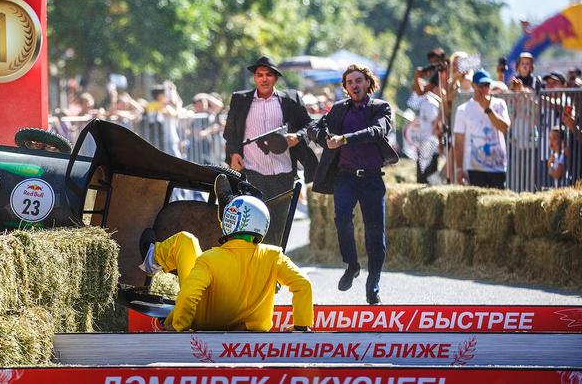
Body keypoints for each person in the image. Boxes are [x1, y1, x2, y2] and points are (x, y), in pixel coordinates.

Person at [138, 190, 312, 332]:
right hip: (253, 331)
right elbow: (303, 284)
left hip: (204, 326)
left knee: (185, 240)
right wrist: (301, 326)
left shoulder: (208, 260)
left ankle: (152, 259)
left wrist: (179, 326)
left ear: (228, 224)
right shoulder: (274, 257)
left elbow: (189, 295)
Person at [307, 64, 398, 305]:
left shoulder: (381, 107)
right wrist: (324, 138)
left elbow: (377, 131)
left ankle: (373, 284)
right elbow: (314, 127)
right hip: (345, 177)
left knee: (374, 232)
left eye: (359, 80)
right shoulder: (338, 109)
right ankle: (352, 264)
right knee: (342, 219)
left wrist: (345, 139)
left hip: (371, 178)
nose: (355, 85)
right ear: (345, 87)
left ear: (368, 83)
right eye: (350, 82)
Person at [223, 56, 318, 246]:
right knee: (257, 225)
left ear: (276, 78)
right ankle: (262, 270)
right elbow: (230, 133)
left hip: (283, 173)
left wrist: (297, 137)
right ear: (255, 78)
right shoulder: (240, 99)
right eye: (260, 75)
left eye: (268, 75)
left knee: (280, 227)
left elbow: (310, 125)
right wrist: (234, 153)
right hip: (252, 172)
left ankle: (276, 267)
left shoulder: (291, 99)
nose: (264, 79)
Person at [453, 69, 511, 189]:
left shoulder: (499, 104)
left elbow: (505, 127)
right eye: (481, 85)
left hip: (498, 166)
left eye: (487, 85)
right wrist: (459, 169)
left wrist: (488, 109)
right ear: (474, 86)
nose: (485, 88)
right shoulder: (463, 109)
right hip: (475, 167)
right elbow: (458, 143)